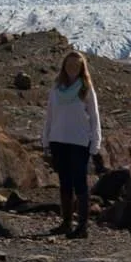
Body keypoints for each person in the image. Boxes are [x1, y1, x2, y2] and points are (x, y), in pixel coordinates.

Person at [42, 51, 102, 239]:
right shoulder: (56, 88)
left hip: (79, 141)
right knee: (64, 183)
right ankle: (66, 222)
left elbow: (94, 117)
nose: (72, 69)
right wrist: (46, 138)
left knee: (80, 183)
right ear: (64, 66)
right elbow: (50, 115)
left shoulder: (85, 88)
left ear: (81, 68)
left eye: (76, 66)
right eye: (69, 65)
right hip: (58, 140)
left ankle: (82, 226)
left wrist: (96, 142)